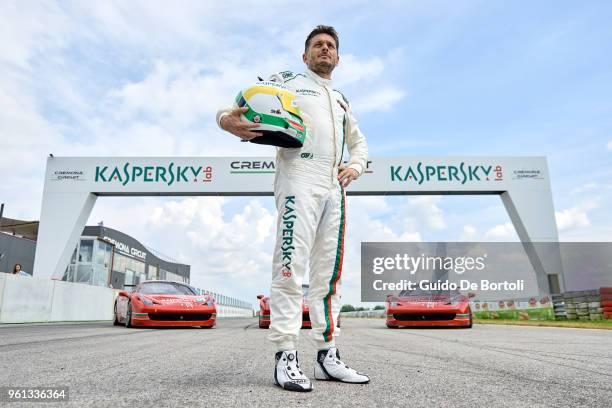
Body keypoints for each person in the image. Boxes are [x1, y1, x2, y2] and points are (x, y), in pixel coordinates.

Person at [217, 25, 369, 392]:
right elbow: (240, 104)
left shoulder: (343, 100)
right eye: (317, 45)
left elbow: (359, 144)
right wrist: (225, 120)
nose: (324, 49)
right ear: (305, 56)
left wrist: (356, 166)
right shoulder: (286, 80)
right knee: (290, 267)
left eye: (330, 46)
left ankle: (327, 355)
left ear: (338, 57)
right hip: (298, 175)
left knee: (328, 277)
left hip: (334, 184)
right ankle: (285, 354)